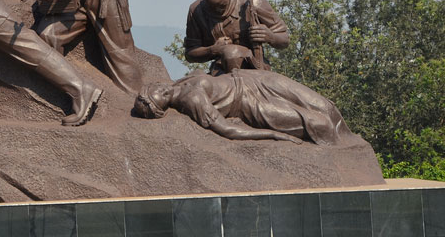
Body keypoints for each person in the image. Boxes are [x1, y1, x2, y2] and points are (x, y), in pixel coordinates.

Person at [134, 70, 356, 145]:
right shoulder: (192, 101)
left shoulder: (179, 82)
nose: (162, 90)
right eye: (159, 97)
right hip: (251, 104)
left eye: (155, 89)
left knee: (322, 104)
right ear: (162, 107)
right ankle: (340, 154)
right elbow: (227, 130)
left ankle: (349, 139)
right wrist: (274, 135)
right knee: (319, 123)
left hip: (254, 79)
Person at [184, 0, 289, 74]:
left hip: (254, 67)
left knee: (232, 52)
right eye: (212, 7)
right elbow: (190, 54)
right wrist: (212, 50)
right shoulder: (196, 11)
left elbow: (285, 39)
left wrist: (270, 36)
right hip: (220, 71)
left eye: (221, 6)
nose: (218, 10)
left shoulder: (255, 3)